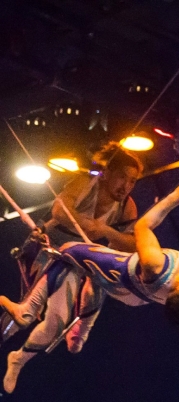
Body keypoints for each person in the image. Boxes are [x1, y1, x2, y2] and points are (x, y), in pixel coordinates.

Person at [1, 179, 179, 394]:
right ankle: (50, 344)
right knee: (78, 300)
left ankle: (29, 308)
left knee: (70, 251)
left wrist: (175, 197)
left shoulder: (155, 265)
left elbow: (143, 226)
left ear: (178, 292)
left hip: (121, 279)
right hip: (135, 296)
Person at [41, 142, 143, 353]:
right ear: (107, 173)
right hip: (51, 244)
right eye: (122, 177)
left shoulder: (127, 206)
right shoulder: (85, 183)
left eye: (132, 181)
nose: (126, 186)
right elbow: (58, 211)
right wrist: (86, 224)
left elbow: (134, 244)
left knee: (104, 275)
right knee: (38, 304)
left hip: (80, 254)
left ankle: (82, 327)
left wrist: (105, 230)